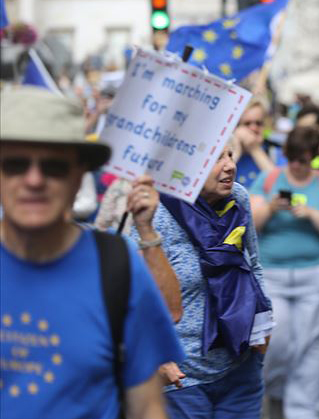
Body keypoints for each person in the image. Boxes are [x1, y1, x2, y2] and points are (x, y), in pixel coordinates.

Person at [0, 86, 184, 419]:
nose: (34, 180)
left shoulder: (117, 267)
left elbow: (147, 408)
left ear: (78, 177)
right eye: (15, 164)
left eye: (54, 167)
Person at [129, 136, 274, 418]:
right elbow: (133, 294)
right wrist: (155, 353)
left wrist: (263, 323)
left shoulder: (238, 197)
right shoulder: (154, 215)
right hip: (183, 377)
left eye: (231, 155)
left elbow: (253, 264)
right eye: (217, 158)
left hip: (240, 364)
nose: (230, 166)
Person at [249, 126, 319, 419]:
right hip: (272, 274)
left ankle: (303, 411)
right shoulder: (268, 180)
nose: (296, 165)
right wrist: (270, 207)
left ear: (314, 157)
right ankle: (277, 389)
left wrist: (311, 214)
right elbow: (250, 223)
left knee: (309, 346)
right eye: (291, 158)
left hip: (314, 274)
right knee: (276, 339)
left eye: (302, 159)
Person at [234, 98, 277, 187]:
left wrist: (255, 150)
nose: (253, 128)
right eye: (247, 123)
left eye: (258, 123)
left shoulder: (275, 153)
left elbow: (277, 185)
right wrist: (235, 149)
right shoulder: (224, 153)